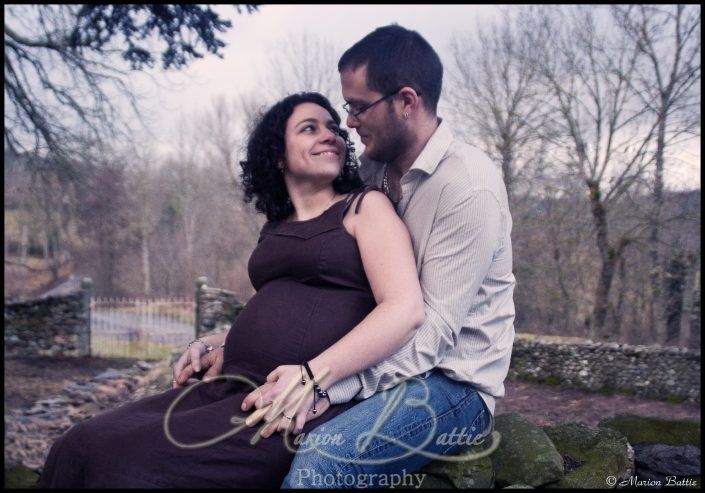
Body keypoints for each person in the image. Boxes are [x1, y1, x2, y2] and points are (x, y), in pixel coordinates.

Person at [37, 92, 425, 488]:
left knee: (130, 467)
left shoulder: (364, 207)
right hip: (228, 388)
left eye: (333, 128)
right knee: (79, 445)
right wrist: (216, 341)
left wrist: (310, 377)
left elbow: (404, 308)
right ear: (277, 155)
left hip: (286, 403)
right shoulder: (275, 226)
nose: (331, 136)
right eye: (310, 128)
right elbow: (277, 309)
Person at [270, 25, 516, 488]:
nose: (348, 122)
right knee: (263, 434)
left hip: (452, 385)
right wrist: (230, 342)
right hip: (382, 359)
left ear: (407, 101)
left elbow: (433, 335)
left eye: (359, 107)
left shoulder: (468, 187)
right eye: (348, 107)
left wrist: (323, 383)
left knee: (322, 459)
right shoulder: (372, 169)